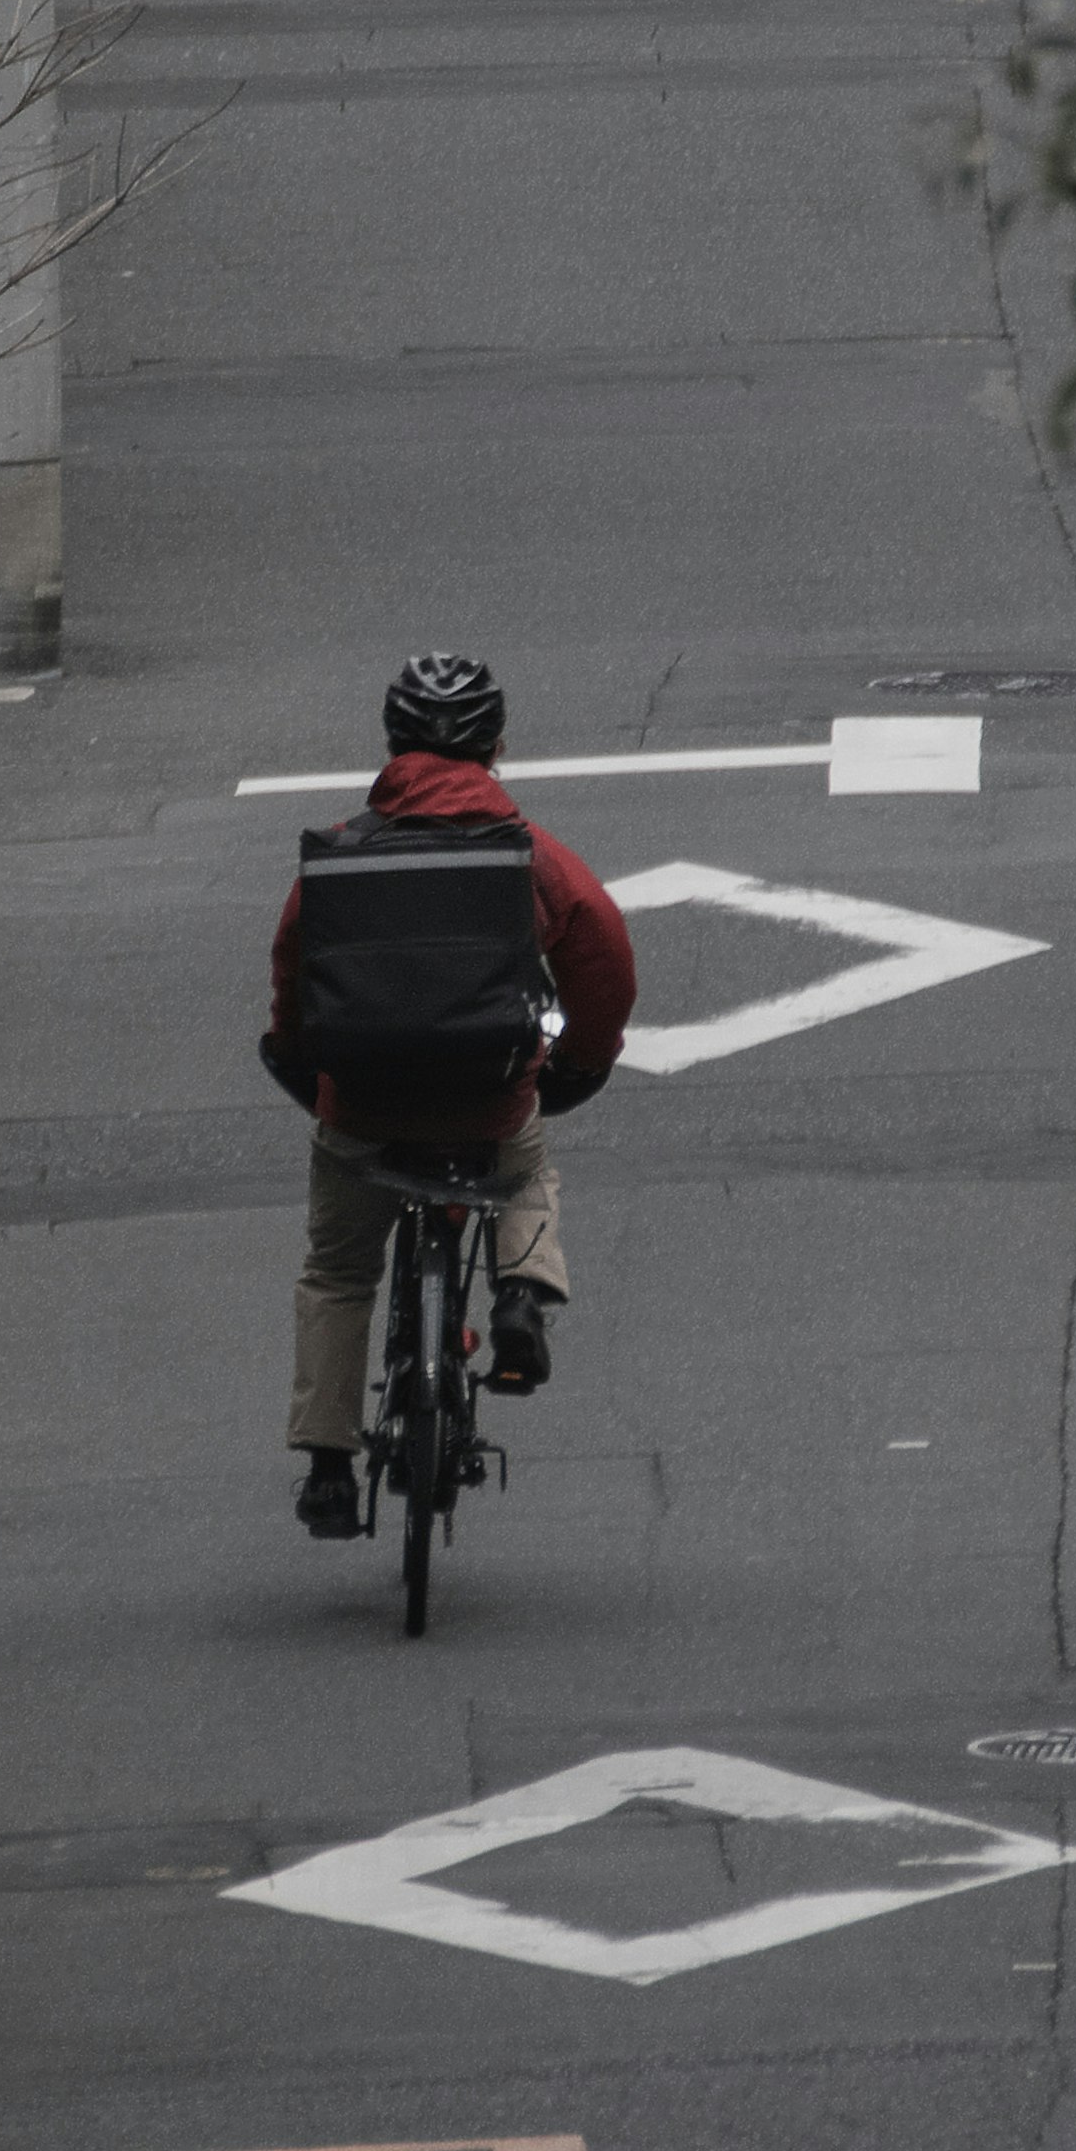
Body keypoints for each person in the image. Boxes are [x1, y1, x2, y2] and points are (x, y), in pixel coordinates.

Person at [263, 655, 636, 1541]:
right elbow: (604, 960)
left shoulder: (340, 849)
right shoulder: (529, 857)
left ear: (391, 744)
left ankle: (326, 1464)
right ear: (497, 746)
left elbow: (292, 977)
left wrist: (307, 1065)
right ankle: (521, 1293)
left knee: (339, 1270)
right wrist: (578, 1060)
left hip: (361, 1109)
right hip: (487, 1100)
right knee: (526, 1160)